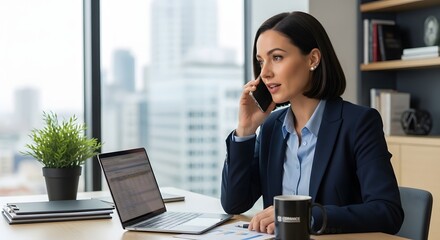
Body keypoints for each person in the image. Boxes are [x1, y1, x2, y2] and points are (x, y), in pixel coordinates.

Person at [220, 11, 403, 235]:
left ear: (313, 59)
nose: (264, 73)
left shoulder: (359, 124)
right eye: (260, 61)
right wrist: (246, 130)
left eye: (276, 57)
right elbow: (234, 204)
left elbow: (387, 212)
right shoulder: (272, 128)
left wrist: (304, 216)